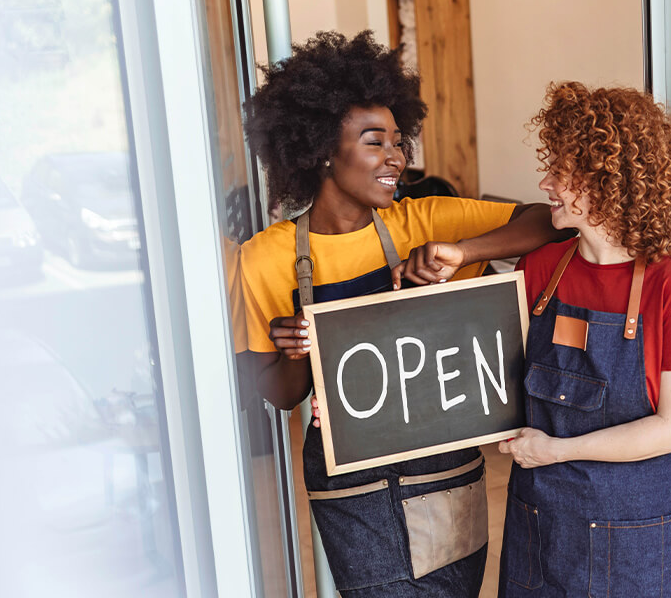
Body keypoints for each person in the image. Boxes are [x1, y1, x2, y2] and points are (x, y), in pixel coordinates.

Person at [240, 31, 568, 597]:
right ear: (321, 148)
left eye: (398, 141)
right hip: (354, 490)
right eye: (375, 142)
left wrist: (461, 254)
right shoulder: (265, 259)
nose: (396, 157)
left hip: (447, 471)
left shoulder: (422, 222)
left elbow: (546, 221)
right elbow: (278, 394)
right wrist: (296, 350)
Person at [497, 83, 671, 598]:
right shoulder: (540, 270)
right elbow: (491, 381)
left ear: (606, 179)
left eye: (562, 171)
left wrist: (556, 450)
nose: (546, 182)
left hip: (636, 535)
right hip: (540, 523)